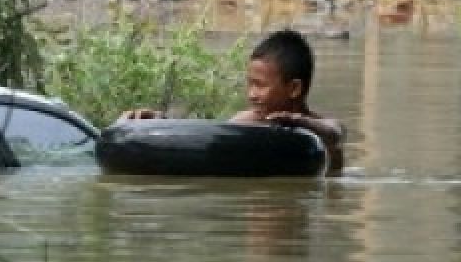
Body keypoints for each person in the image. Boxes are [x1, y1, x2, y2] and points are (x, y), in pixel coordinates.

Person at [119, 29, 345, 173]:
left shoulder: (321, 129)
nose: (251, 94)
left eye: (260, 85)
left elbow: (336, 133)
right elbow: (207, 139)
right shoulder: (249, 122)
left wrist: (300, 123)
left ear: (294, 88)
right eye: (250, 84)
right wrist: (160, 123)